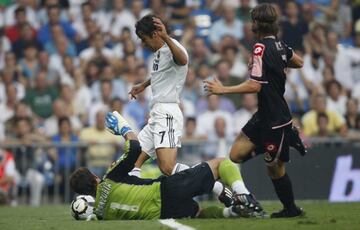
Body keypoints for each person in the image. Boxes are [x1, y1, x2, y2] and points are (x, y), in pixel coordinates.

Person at [204, 3, 306, 218]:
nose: (251, 24)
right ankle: (285, 139)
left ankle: (290, 209)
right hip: (265, 116)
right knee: (234, 155)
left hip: (275, 120)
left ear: (258, 23)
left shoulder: (260, 48)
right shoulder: (279, 46)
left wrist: (223, 90)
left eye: (253, 20)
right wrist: (278, 66)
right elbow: (299, 61)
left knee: (274, 169)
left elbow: (255, 85)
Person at [70, 125, 265, 220]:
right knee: (220, 163)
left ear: (85, 195)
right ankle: (244, 196)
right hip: (165, 190)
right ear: (95, 177)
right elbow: (134, 148)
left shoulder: (102, 214)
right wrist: (124, 128)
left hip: (162, 213)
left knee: (198, 213)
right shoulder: (109, 178)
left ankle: (232, 212)